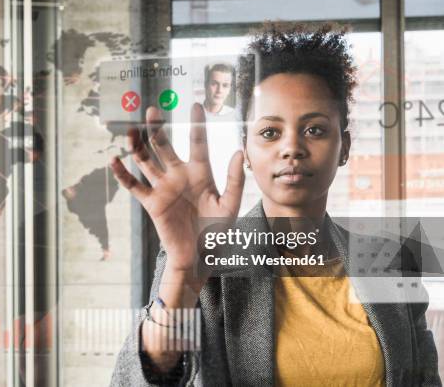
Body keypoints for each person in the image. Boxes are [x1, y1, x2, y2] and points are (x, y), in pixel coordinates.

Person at [108, 22, 441, 386]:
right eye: (270, 133)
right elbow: (140, 380)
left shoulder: (392, 263)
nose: (291, 148)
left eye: (314, 129)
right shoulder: (208, 255)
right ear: (247, 151)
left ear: (343, 147)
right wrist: (182, 276)